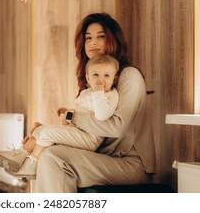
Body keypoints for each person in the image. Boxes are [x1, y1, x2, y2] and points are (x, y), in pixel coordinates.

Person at [28, 12, 157, 192]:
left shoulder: (129, 76)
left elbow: (116, 127)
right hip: (101, 157)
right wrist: (55, 133)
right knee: (48, 153)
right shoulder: (93, 80)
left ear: (114, 40)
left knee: (54, 157)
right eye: (88, 38)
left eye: (100, 37)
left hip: (130, 164)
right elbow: (89, 132)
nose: (93, 42)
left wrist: (73, 117)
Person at [0, 54, 120, 178]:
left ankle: (32, 165)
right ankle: (19, 154)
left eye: (107, 75)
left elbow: (102, 115)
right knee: (40, 129)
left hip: (90, 138)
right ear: (88, 78)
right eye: (96, 75)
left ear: (114, 79)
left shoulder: (111, 95)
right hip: (77, 132)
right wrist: (68, 113)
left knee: (48, 133)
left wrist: (99, 92)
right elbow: (76, 119)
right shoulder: (87, 92)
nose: (100, 80)